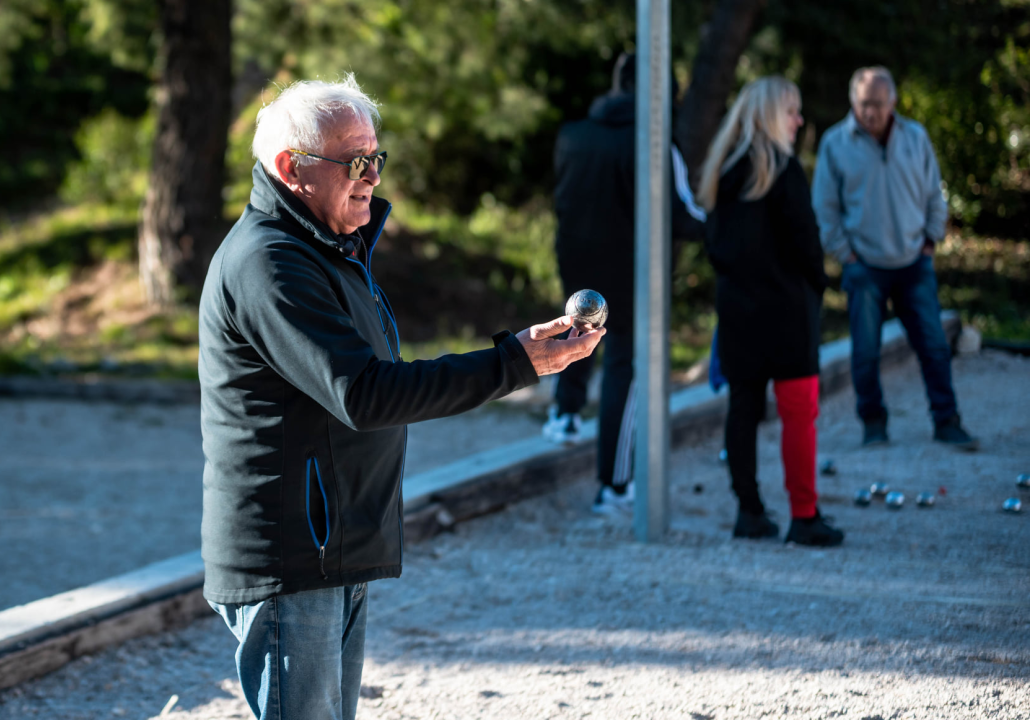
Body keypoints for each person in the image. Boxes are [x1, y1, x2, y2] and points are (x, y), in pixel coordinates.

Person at [198, 76, 604, 720]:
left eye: (376, 159)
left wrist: (516, 362)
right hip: (291, 555)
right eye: (355, 162)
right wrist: (512, 363)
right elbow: (364, 393)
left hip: (332, 545)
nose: (371, 176)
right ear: (290, 168)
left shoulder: (329, 248)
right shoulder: (270, 262)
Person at [543, 52, 707, 514]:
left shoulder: (573, 135)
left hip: (575, 257)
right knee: (624, 367)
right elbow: (683, 216)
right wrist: (719, 225)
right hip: (632, 271)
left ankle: (565, 414)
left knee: (574, 331)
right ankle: (614, 484)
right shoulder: (653, 143)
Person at [697, 76, 843, 546]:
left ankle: (749, 510)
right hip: (787, 312)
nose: (799, 120)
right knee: (799, 413)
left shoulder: (723, 169)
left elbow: (715, 247)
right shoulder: (783, 169)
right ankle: (804, 515)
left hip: (739, 310)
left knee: (742, 410)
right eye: (792, 111)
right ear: (770, 115)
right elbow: (806, 241)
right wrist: (819, 283)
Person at [812, 66, 978, 450]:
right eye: (864, 103)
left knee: (934, 345)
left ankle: (947, 420)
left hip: (913, 262)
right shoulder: (835, 143)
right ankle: (873, 424)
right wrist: (845, 254)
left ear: (894, 103)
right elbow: (824, 208)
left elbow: (935, 197)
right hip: (863, 266)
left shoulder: (915, 137)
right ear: (853, 102)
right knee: (866, 353)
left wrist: (931, 241)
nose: (871, 112)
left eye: (878, 104)